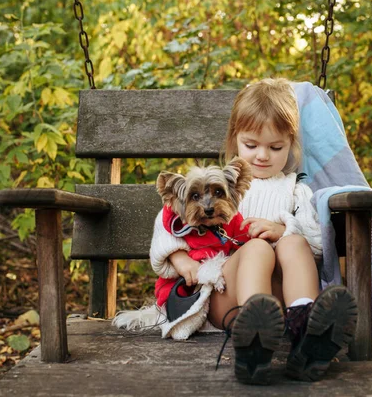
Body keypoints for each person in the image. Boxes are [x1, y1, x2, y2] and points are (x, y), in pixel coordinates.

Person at [148, 78, 357, 384]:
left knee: (294, 242)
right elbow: (168, 225)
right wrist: (181, 260)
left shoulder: (296, 190)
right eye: (251, 145)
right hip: (226, 299)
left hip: (280, 301)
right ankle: (252, 335)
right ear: (234, 141)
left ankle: (307, 333)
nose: (262, 155)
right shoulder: (220, 187)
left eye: (275, 147)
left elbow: (318, 241)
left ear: (291, 145)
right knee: (257, 249)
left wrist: (284, 228)